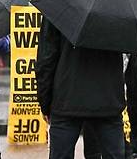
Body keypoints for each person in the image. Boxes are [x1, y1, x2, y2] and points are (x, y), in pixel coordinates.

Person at [36, 17, 125, 159]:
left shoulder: (58, 2)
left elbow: (46, 57)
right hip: (107, 96)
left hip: (66, 96)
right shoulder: (119, 4)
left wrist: (45, 101)